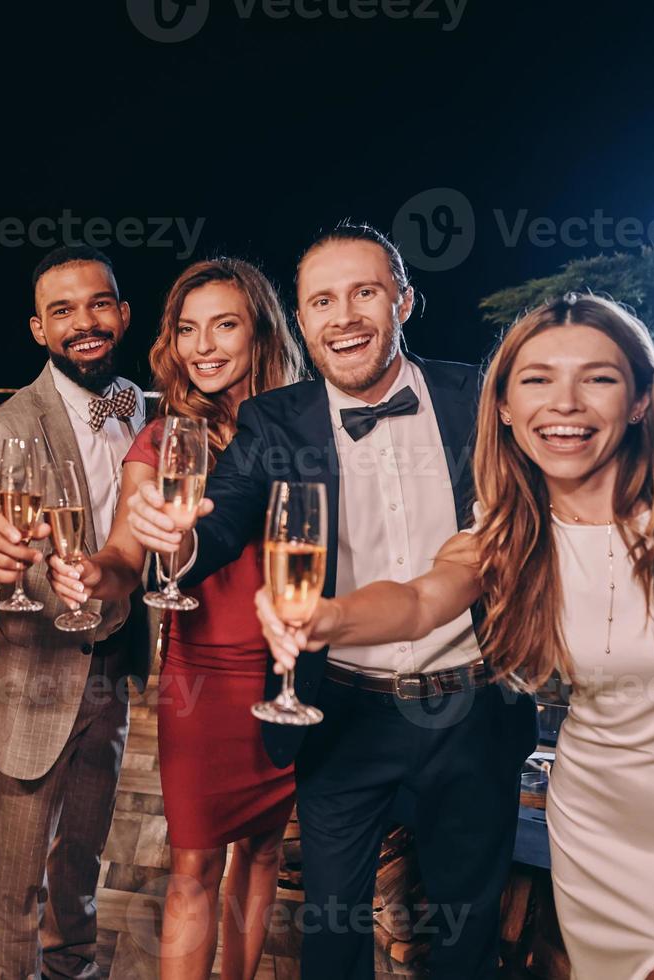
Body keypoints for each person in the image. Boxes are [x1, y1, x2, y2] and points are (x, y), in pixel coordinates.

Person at [255, 293, 654, 980]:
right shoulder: (508, 536)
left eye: (599, 377)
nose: (566, 401)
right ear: (501, 406)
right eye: (537, 379)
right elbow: (416, 602)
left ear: (641, 399)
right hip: (595, 830)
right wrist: (328, 618)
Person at [127, 223, 537, 978]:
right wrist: (172, 538)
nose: (343, 316)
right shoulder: (277, 419)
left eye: (364, 293)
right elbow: (215, 529)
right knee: (331, 942)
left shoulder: (477, 398)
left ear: (403, 301)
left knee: (466, 943)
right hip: (342, 714)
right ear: (303, 318)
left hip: (471, 711)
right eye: (322, 300)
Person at [48, 257, 303, 980]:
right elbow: (129, 556)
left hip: (293, 671)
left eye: (225, 325)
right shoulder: (162, 441)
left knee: (259, 853)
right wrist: (97, 573)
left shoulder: (302, 427)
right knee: (193, 862)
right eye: (188, 329)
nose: (205, 346)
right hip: (205, 675)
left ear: (261, 332)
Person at [0, 244, 150, 980]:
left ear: (123, 315)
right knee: (16, 879)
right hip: (32, 675)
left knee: (83, 863)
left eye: (98, 304)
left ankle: (75, 969)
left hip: (113, 667)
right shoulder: (7, 425)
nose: (84, 322)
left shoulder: (137, 409)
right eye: (61, 311)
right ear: (39, 330)